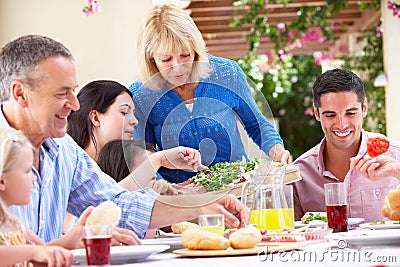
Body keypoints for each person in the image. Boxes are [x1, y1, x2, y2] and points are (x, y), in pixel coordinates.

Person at [0, 34, 249, 243]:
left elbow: (119, 203)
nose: (75, 105)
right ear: (20, 94)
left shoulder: (64, 150)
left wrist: (202, 205)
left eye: (74, 91)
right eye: (62, 93)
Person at [129, 3, 290, 183]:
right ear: (151, 59)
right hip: (181, 198)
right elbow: (143, 157)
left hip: (236, 186)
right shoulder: (140, 95)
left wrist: (278, 152)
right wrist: (167, 190)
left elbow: (257, 125)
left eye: (185, 55)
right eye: (166, 59)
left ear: (196, 50)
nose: (178, 68)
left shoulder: (227, 73)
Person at [292, 68, 400, 222]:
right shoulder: (300, 175)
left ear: (364, 108)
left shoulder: (395, 155)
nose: (342, 124)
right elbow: (290, 237)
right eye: (330, 115)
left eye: (350, 113)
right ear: (317, 113)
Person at [0, 128, 92, 266]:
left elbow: (44, 251)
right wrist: (32, 252)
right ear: (2, 181)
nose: (33, 178)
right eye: (27, 171)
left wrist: (76, 235)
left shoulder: (15, 224)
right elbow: (35, 252)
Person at [67, 80, 181, 191]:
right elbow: (109, 199)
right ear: (96, 118)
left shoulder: (121, 164)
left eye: (133, 114)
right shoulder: (71, 166)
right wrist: (158, 160)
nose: (135, 121)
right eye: (125, 112)